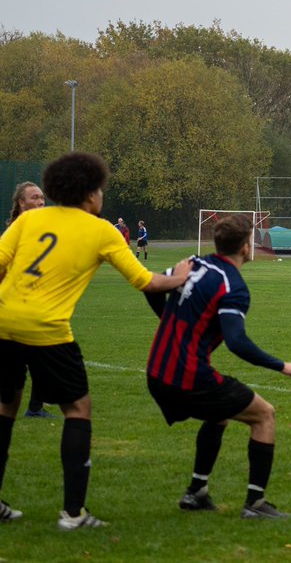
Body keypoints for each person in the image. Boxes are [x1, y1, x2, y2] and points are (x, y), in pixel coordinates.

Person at [0, 152, 192, 529]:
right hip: (47, 329)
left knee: (5, 407)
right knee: (78, 409)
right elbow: (147, 281)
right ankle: (74, 513)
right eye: (100, 189)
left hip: (4, 321)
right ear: (89, 194)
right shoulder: (101, 229)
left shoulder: (30, 220)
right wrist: (180, 275)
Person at [145, 214, 291, 519]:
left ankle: (196, 492)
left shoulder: (193, 264)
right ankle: (256, 504)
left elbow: (150, 285)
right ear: (247, 247)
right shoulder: (233, 286)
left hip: (157, 372)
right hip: (187, 375)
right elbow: (237, 342)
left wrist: (171, 320)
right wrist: (282, 365)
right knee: (264, 415)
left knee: (219, 415)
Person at [7, 183, 53, 419]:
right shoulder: (17, 231)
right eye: (35, 197)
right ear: (21, 203)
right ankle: (32, 407)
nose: (41, 201)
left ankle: (35, 407)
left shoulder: (41, 230)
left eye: (42, 198)